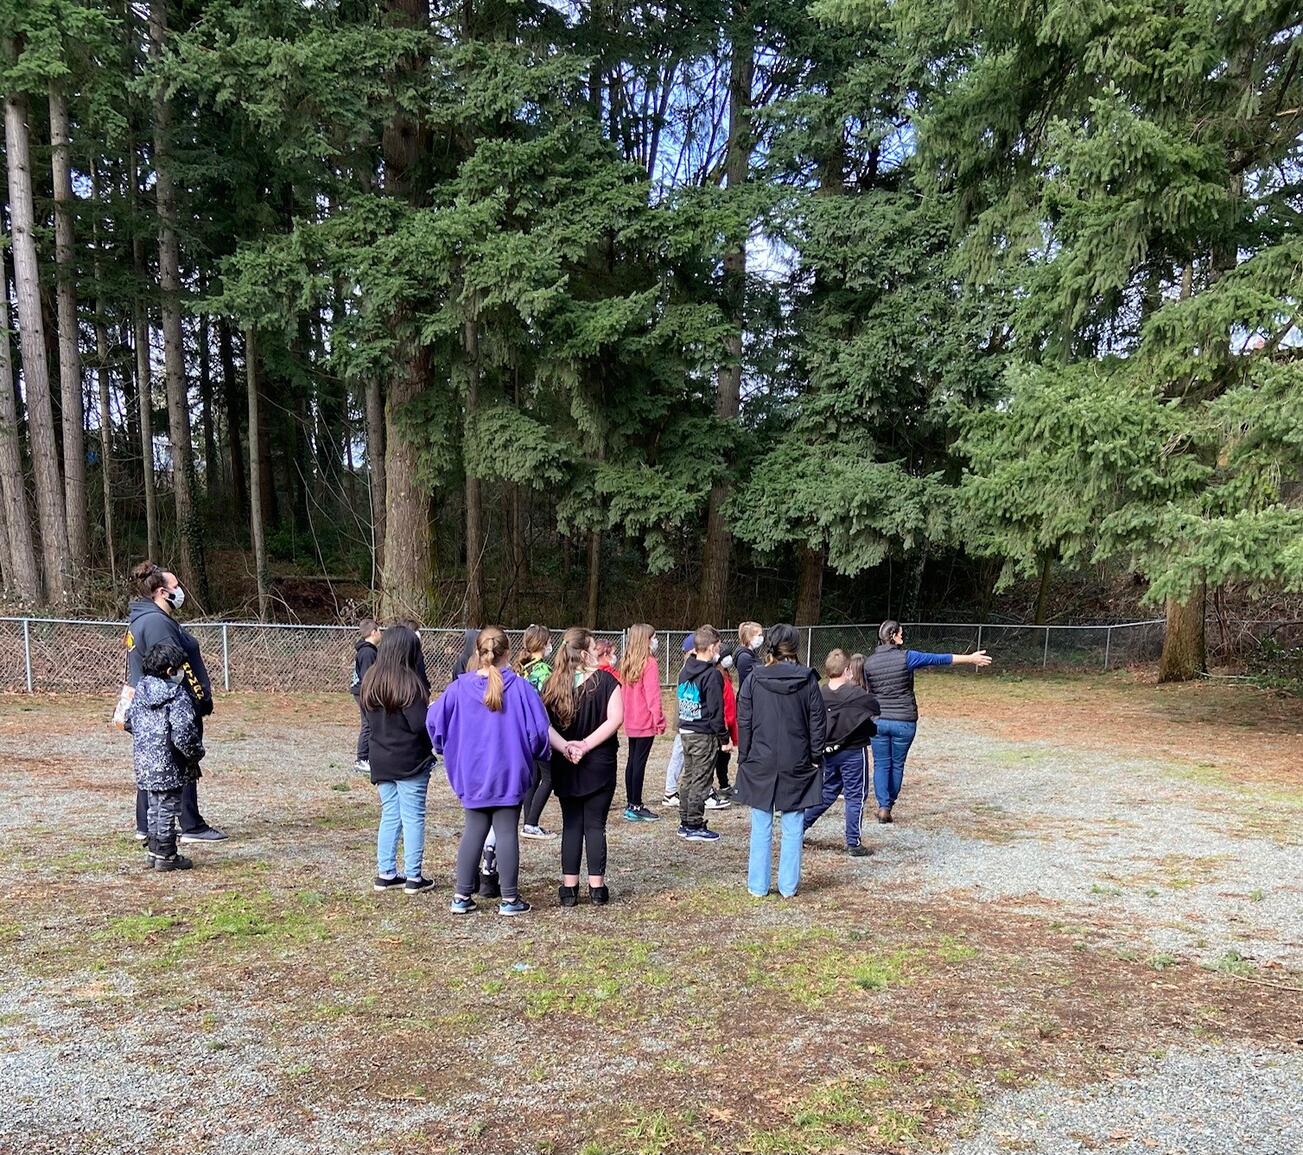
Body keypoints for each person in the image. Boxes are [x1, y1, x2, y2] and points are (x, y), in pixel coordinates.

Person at [428, 626, 558, 916]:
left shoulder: (459, 688)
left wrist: (444, 747)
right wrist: (537, 754)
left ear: (478, 652)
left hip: (472, 775)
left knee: (473, 830)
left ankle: (461, 896)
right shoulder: (521, 689)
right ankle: (509, 899)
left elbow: (434, 722)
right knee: (506, 832)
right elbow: (539, 730)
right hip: (509, 773)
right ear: (508, 653)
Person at [125, 561, 226, 844]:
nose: (181, 591)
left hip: (152, 705)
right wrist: (199, 697)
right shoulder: (158, 623)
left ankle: (147, 825)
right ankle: (190, 825)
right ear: (161, 592)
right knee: (179, 760)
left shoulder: (146, 619)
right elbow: (174, 666)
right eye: (176, 586)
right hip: (170, 705)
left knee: (155, 763)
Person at [864, 620, 992, 823]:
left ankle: (883, 806)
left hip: (878, 721)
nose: (903, 637)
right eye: (901, 634)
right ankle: (888, 806)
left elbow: (866, 691)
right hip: (904, 721)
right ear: (893, 636)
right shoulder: (907, 657)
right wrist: (970, 658)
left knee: (881, 764)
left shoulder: (869, 662)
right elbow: (939, 659)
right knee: (897, 764)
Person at [735, 623, 825, 898]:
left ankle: (758, 885)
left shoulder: (754, 679)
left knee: (761, 823)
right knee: (793, 823)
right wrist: (815, 756)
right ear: (794, 647)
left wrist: (745, 756)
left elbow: (744, 720)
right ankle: (788, 886)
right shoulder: (807, 680)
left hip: (762, 758)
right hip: (796, 758)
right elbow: (817, 722)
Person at [541, 627, 624, 906]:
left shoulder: (552, 685)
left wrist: (566, 746)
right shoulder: (607, 682)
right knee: (596, 825)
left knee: (571, 824)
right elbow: (615, 719)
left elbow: (544, 726)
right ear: (587, 652)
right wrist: (586, 745)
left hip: (565, 763)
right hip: (600, 762)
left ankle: (569, 889)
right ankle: (597, 888)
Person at [361, 624, 435, 895]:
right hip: (410, 760)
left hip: (381, 758)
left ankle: (386, 872)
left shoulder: (370, 679)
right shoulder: (409, 683)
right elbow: (419, 725)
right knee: (413, 816)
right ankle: (414, 876)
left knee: (390, 814)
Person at [126, 641, 205, 873]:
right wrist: (196, 753)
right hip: (171, 762)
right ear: (171, 670)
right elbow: (184, 733)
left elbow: (128, 721)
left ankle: (154, 850)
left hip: (144, 761)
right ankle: (166, 854)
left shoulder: (140, 692)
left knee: (154, 805)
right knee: (168, 806)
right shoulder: (177, 695)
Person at [802, 649, 879, 856]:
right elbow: (873, 710)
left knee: (827, 791)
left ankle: (799, 827)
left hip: (828, 752)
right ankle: (853, 842)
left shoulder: (819, 694)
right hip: (853, 751)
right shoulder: (857, 695)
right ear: (847, 670)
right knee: (855, 795)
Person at [675, 624, 730, 842]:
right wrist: (724, 738)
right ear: (711, 647)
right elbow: (716, 711)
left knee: (689, 777)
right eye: (718, 647)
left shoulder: (685, 670)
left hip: (686, 730)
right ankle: (694, 824)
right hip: (702, 734)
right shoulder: (712, 675)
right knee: (701, 779)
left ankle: (685, 820)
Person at [619, 623, 666, 821]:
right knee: (639, 763)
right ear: (645, 640)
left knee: (632, 761)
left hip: (631, 719)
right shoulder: (649, 663)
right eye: (653, 638)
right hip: (645, 720)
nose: (656, 641)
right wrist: (659, 719)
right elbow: (653, 695)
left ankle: (631, 802)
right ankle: (636, 805)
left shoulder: (627, 662)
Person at [515, 625, 558, 840]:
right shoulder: (544, 671)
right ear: (542, 644)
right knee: (549, 778)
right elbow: (551, 702)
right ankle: (531, 823)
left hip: (524, 730)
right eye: (548, 641)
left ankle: (528, 822)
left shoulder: (522, 669)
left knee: (534, 776)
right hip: (541, 731)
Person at [661, 634, 696, 807]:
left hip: (686, 722)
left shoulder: (689, 669)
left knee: (682, 755)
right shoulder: (687, 671)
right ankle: (670, 791)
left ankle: (674, 789)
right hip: (686, 722)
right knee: (679, 755)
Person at [707, 651, 739, 807]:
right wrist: (724, 724)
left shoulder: (726, 675)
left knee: (724, 758)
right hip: (722, 722)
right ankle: (709, 789)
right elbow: (719, 704)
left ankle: (724, 784)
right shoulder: (715, 677)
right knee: (716, 757)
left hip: (729, 721)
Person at [350, 619, 382, 774]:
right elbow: (367, 677)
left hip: (364, 691)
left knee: (370, 724)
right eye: (379, 630)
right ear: (373, 632)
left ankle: (368, 757)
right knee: (368, 724)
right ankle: (362, 759)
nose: (381, 634)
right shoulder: (368, 652)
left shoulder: (368, 651)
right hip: (364, 692)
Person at [735, 622, 764, 690]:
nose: (761, 638)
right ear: (749, 637)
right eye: (759, 635)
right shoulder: (744, 657)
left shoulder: (751, 653)